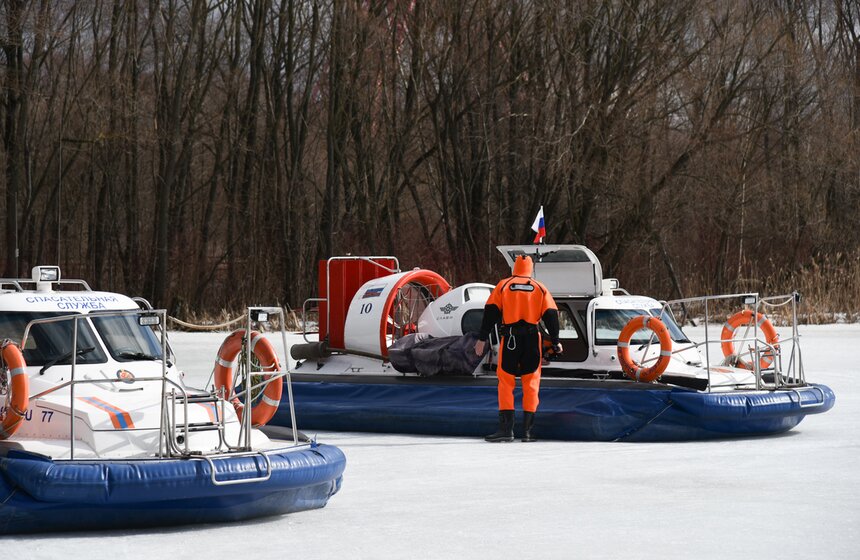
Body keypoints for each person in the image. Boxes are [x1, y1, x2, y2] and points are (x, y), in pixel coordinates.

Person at [475, 255, 562, 442]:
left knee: (506, 382)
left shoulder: (504, 285)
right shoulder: (540, 288)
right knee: (531, 384)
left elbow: (490, 312)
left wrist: (482, 339)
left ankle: (506, 430)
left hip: (511, 339)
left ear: (515, 268)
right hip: (532, 340)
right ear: (530, 269)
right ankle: (528, 432)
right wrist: (555, 341)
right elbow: (552, 315)